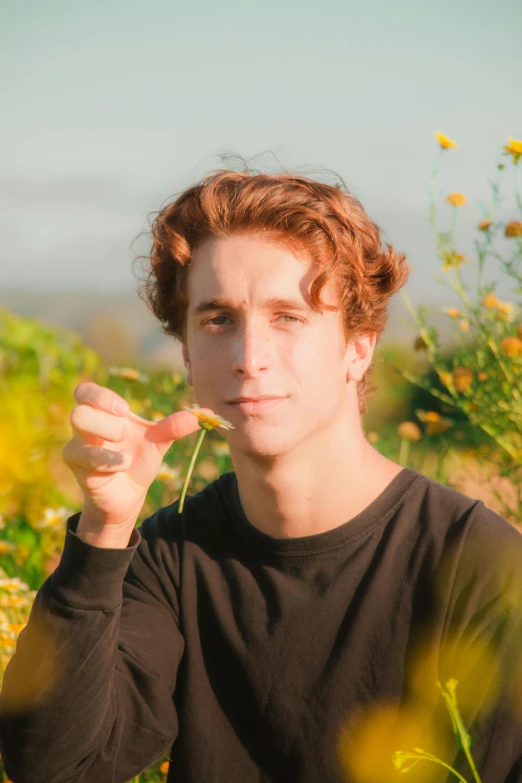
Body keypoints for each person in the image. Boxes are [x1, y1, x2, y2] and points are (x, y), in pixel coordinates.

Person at [1, 164, 522, 783]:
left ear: (359, 347)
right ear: (189, 355)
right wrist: (103, 532)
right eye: (219, 319)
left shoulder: (480, 566)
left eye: (289, 317)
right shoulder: (169, 556)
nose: (250, 359)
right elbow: (55, 767)